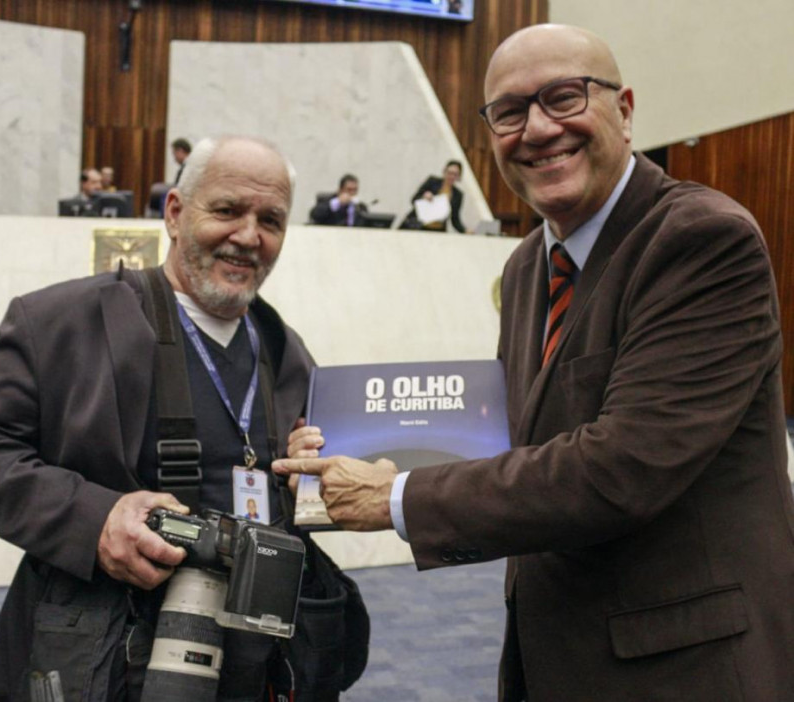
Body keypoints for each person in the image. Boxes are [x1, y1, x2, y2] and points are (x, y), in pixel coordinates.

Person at [275, 24, 794, 701]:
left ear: (625, 110)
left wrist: (392, 496)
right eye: (509, 112)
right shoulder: (528, 267)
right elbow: (518, 444)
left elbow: (622, 468)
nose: (538, 128)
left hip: (685, 666)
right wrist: (355, 453)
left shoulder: (699, 240)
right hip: (559, 653)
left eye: (563, 97)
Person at [0, 136, 366, 701]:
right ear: (176, 214)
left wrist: (307, 482)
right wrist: (97, 519)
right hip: (104, 659)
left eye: (271, 221)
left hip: (253, 663)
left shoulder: (287, 351)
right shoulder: (61, 321)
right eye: (228, 210)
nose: (248, 236)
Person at [399, 160, 466, 232]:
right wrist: (423, 197)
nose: (451, 176)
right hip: (418, 226)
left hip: (437, 230)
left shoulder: (458, 195)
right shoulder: (432, 182)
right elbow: (414, 200)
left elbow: (455, 219)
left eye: (455, 174)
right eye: (449, 173)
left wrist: (465, 230)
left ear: (459, 176)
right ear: (444, 172)